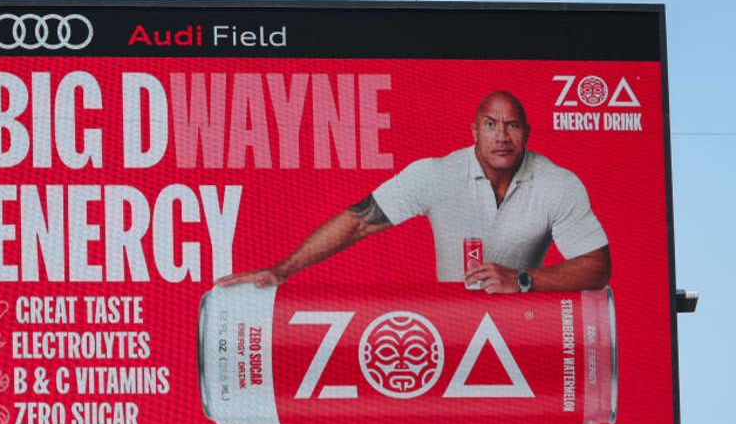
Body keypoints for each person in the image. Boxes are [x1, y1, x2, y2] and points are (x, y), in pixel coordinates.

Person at [217, 91, 611, 294]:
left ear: (526, 133)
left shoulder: (557, 182)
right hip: (448, 329)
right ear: (474, 131)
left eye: (512, 126)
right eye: (491, 125)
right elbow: (358, 222)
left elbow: (597, 267)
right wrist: (281, 270)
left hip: (528, 332)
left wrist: (523, 280)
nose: (502, 137)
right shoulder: (435, 174)